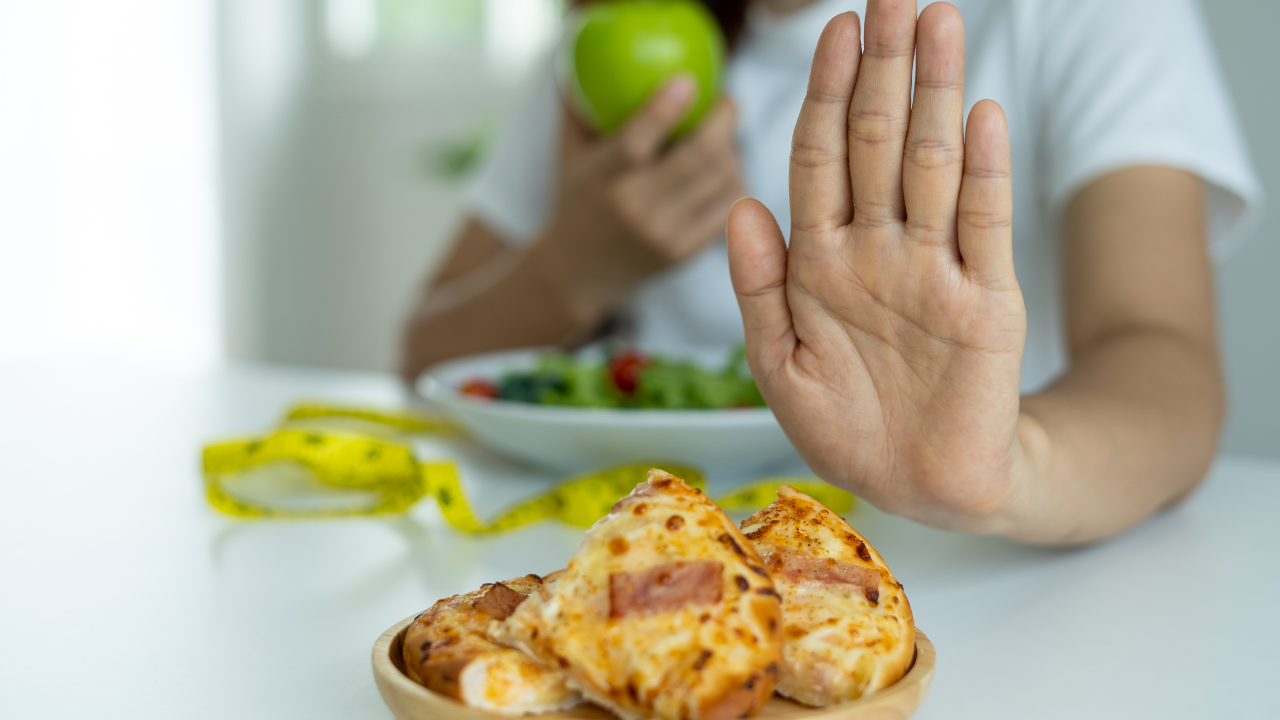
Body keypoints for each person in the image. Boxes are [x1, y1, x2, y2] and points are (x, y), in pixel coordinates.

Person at [401, 0, 1262, 544]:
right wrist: (570, 269)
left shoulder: (1088, 15)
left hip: (974, 571)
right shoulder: (602, 33)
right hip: (628, 559)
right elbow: (423, 360)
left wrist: (1010, 468)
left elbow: (1167, 362)